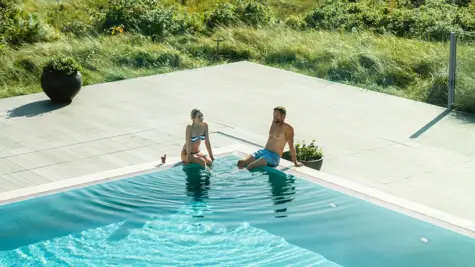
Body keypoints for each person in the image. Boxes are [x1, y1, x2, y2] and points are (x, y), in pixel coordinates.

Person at [238, 106, 303, 170]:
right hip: (263, 152)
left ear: (283, 116)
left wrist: (295, 162)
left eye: (277, 115)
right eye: (274, 114)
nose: (274, 116)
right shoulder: (274, 122)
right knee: (241, 162)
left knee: (251, 165)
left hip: (273, 157)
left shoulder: (288, 128)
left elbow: (291, 146)